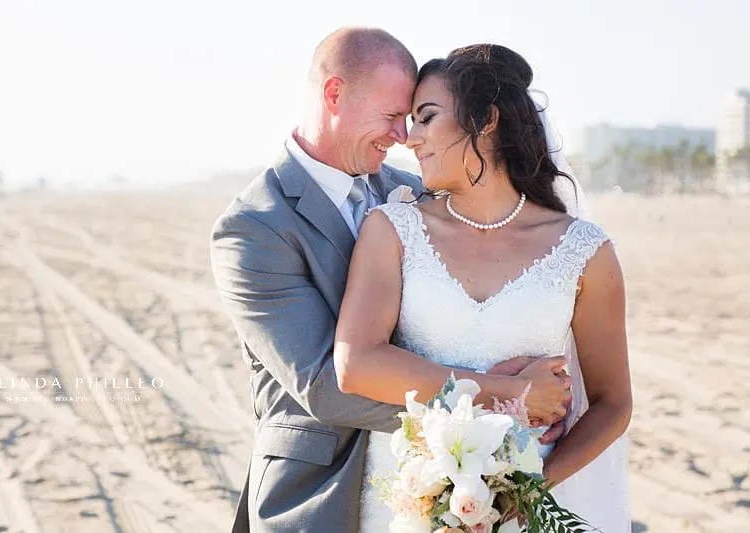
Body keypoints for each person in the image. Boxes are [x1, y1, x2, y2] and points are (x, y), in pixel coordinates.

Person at [210, 28, 571, 533]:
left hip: (446, 484)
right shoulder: (254, 228)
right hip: (318, 492)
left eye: (412, 119)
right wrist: (505, 401)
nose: (403, 136)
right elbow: (325, 386)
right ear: (334, 94)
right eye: (391, 117)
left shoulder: (412, 193)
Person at [334, 44, 632, 532]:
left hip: (525, 508)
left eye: (426, 117)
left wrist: (530, 489)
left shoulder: (585, 251)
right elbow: (357, 364)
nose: (410, 138)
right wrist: (511, 393)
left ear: (486, 119)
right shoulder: (391, 229)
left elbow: (613, 402)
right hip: (409, 497)